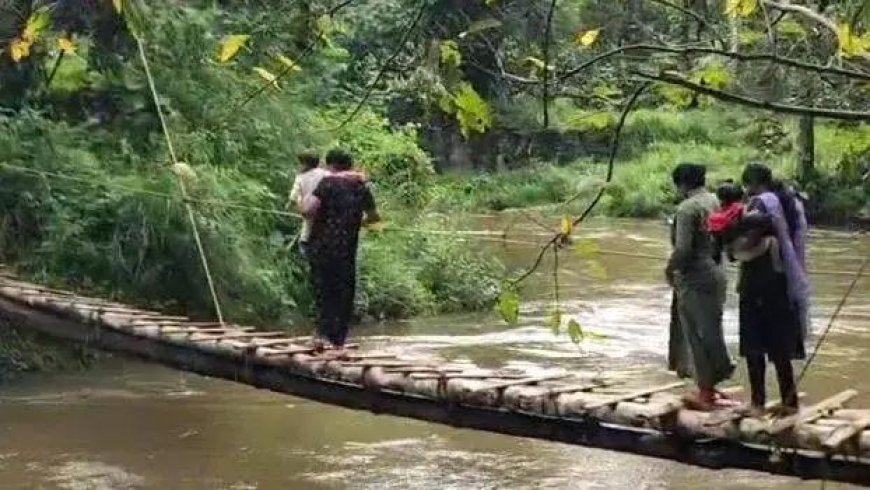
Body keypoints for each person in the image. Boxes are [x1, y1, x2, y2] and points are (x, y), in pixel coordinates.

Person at [735, 162, 810, 415]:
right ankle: (790, 401)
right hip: (783, 281)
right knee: (780, 346)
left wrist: (732, 245)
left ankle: (757, 402)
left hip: (759, 280)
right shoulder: (790, 202)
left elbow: (752, 238)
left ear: (752, 184)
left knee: (754, 345)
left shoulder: (760, 203)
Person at [666, 163, 734, 410]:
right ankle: (713, 382)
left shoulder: (687, 209)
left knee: (695, 333)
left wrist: (669, 269)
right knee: (712, 328)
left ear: (681, 184)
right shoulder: (716, 201)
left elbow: (683, 249)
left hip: (694, 276)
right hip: (717, 271)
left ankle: (705, 390)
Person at [302, 149, 380, 355]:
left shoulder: (327, 183)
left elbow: (308, 210)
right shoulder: (361, 186)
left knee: (323, 291)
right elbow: (374, 217)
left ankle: (320, 336)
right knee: (344, 294)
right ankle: (338, 342)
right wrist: (356, 222)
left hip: (322, 247)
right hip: (346, 250)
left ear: (331, 165)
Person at [289, 151, 329, 257]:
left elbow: (293, 198)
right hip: (327, 214)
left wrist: (297, 206)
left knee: (306, 236)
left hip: (309, 214)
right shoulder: (326, 174)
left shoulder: (301, 177)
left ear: (305, 163)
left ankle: (307, 257)